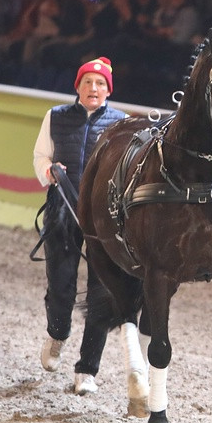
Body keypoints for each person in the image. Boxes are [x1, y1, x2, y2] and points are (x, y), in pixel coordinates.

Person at [32, 58, 127, 395]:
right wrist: (50, 172)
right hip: (62, 209)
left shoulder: (121, 124)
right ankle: (57, 333)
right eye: (88, 82)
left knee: (101, 294)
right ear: (78, 86)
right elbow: (40, 156)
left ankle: (87, 370)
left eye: (100, 84)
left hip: (103, 219)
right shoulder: (55, 117)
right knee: (61, 283)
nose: (94, 89)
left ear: (108, 90)